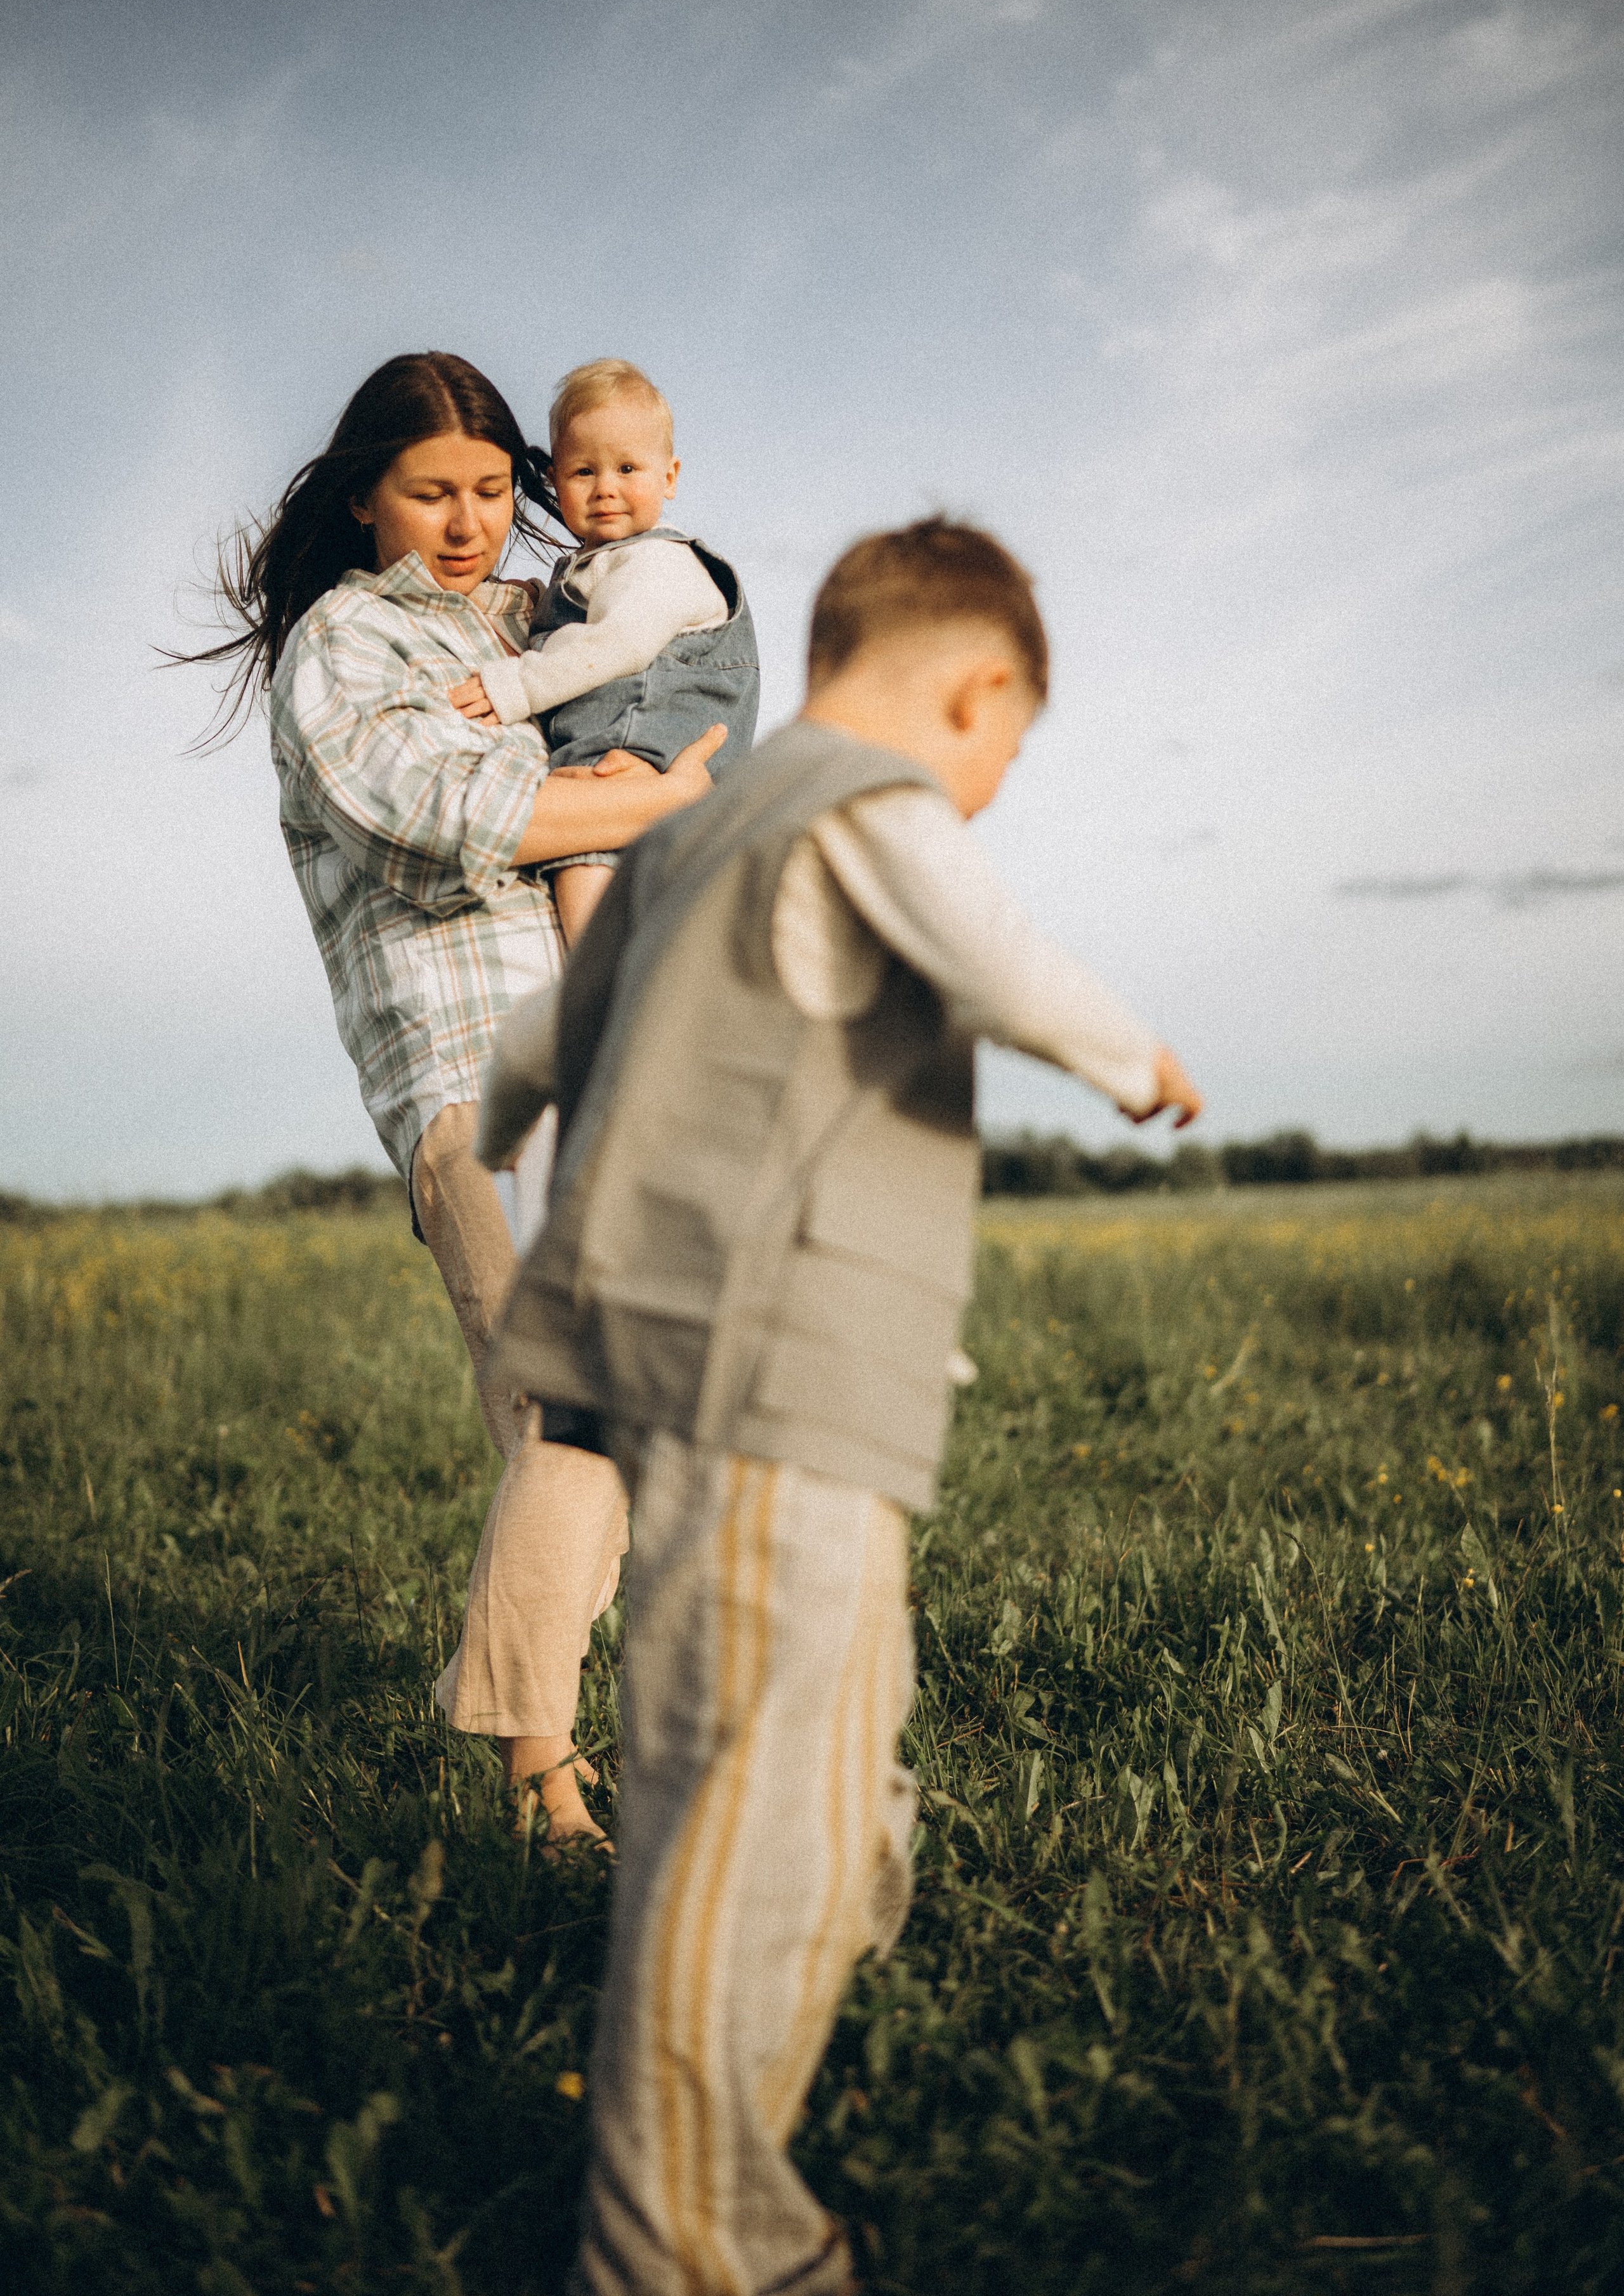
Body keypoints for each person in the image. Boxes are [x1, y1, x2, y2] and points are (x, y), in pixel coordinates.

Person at [474, 517, 1202, 2295]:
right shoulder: (863, 813)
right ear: (976, 690)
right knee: (744, 1798)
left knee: (797, 1734)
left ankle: (826, 1911)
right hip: (776, 1387)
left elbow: (538, 1043)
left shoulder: (683, 837)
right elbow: (995, 953)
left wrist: (498, 1140)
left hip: (701, 1392)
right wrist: (1133, 1056)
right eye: (1001, 755)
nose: (986, 793)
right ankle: (684, 2242)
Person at [183, 349, 726, 1845]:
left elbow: (668, 705)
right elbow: (456, 814)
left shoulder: (545, 618)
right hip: (467, 1066)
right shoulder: (344, 646)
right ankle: (540, 1773)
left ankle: (563, 1720)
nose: (472, 519)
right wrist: (669, 800)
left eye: (495, 489)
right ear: (364, 492)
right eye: (433, 492)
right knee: (561, 1399)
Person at [449, 357, 759, 945]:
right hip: (630, 757)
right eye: (583, 471)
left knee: (584, 862)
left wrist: (516, 686)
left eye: (627, 468)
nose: (606, 488)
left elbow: (620, 644)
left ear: (669, 478)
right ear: (556, 480)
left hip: (644, 748)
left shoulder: (659, 562)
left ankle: (593, 999)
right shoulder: (599, 566)